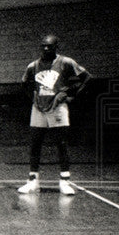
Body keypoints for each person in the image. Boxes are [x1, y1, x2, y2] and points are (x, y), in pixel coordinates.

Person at [18, 34, 91, 195]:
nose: (45, 48)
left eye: (49, 46)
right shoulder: (33, 66)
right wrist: (33, 98)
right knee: (35, 143)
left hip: (57, 107)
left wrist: (71, 95)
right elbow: (24, 84)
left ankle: (64, 181)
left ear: (56, 47)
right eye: (43, 45)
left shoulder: (65, 62)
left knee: (61, 144)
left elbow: (86, 78)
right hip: (39, 107)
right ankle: (33, 181)